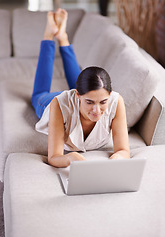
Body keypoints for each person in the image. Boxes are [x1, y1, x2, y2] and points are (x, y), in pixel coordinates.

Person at [31, 8, 130, 168]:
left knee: (82, 83)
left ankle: (63, 38)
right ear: (77, 95)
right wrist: (71, 158)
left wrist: (115, 161)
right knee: (38, 94)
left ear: (110, 95)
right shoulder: (58, 105)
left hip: (79, 96)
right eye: (90, 102)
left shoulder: (116, 102)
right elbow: (54, 157)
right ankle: (49, 35)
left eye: (103, 102)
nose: (97, 110)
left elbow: (123, 150)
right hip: (52, 102)